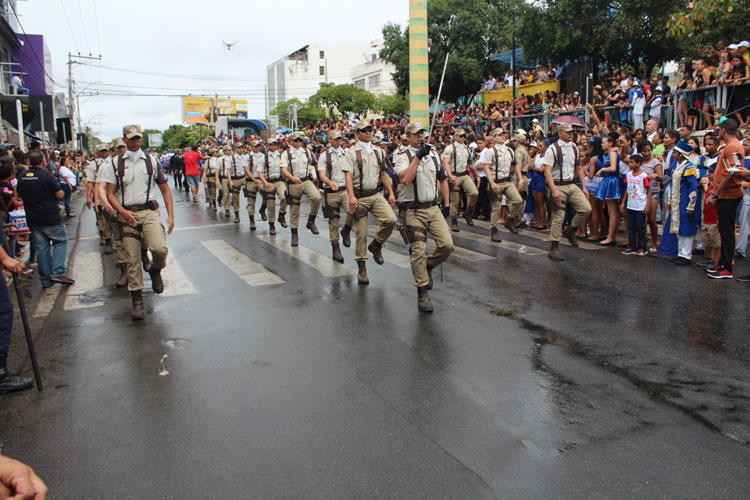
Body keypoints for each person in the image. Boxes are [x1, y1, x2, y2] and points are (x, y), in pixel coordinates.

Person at [100, 124, 174, 320]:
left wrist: (170, 216)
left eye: (138, 138)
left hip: (148, 212)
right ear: (124, 139)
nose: (135, 142)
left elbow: (165, 189)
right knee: (132, 259)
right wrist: (122, 212)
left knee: (159, 249)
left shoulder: (151, 161)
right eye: (131, 138)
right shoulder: (114, 164)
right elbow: (110, 193)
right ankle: (137, 301)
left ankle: (156, 269)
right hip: (126, 215)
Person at [393, 123, 453, 312]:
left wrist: (447, 204)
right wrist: (418, 157)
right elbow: (405, 179)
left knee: (447, 245)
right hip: (413, 210)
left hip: (433, 207)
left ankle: (428, 267)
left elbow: (442, 179)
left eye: (422, 134)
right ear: (407, 137)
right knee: (418, 250)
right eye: (416, 134)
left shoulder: (434, 154)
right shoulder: (402, 156)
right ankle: (422, 292)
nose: (420, 137)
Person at [343, 122, 397, 284]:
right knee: (361, 233)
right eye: (364, 131)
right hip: (359, 197)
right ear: (357, 134)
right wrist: (351, 196)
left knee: (391, 219)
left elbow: (383, 175)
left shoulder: (379, 152)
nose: (368, 133)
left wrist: (391, 193)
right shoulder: (352, 153)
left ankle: (377, 244)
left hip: (375, 194)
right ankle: (362, 266)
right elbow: (348, 176)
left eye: (369, 130)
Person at [16, 151, 74, 288]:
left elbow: (18, 194)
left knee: (41, 248)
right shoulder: (46, 175)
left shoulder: (22, 176)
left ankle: (45, 279)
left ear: (28, 161)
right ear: (43, 161)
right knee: (60, 241)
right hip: (49, 217)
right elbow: (60, 194)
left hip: (33, 218)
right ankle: (58, 272)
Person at [543, 122, 591, 261]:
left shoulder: (574, 147)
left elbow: (579, 168)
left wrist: (584, 186)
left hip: (571, 184)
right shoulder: (552, 149)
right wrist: (554, 190)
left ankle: (571, 230)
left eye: (572, 132)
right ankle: (554, 247)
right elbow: (547, 171)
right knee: (559, 215)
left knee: (585, 209)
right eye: (568, 132)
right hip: (558, 185)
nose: (571, 134)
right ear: (560, 133)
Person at [707, 119, 744, 279]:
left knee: (727, 231)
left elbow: (731, 173)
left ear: (723, 130)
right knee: (724, 230)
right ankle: (722, 262)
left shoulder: (733, 147)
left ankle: (727, 267)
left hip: (728, 195)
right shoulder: (732, 146)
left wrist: (715, 194)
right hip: (725, 194)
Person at [479, 128, 523, 242]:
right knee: (496, 207)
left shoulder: (509, 150)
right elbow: (486, 168)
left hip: (507, 181)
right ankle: (494, 230)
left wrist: (521, 178)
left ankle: (510, 219)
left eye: (503, 134)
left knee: (518, 200)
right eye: (499, 135)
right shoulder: (490, 152)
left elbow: (515, 165)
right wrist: (492, 183)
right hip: (496, 181)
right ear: (494, 138)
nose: (502, 136)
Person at [660, 140, 698, 264]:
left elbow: (693, 187)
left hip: (685, 202)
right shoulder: (677, 166)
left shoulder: (689, 167)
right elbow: (673, 184)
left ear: (681, 155)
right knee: (679, 228)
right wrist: (671, 200)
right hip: (677, 202)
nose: (674, 155)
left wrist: (691, 205)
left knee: (686, 228)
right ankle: (681, 253)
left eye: (676, 153)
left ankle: (687, 255)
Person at [318, 131, 353, 262]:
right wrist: (329, 182)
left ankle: (347, 230)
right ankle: (335, 247)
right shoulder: (324, 156)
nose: (339, 142)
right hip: (331, 191)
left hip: (345, 190)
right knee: (333, 221)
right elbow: (322, 174)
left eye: (340, 139)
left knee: (353, 211)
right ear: (330, 139)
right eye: (336, 139)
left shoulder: (347, 154)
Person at [280, 133, 321, 246]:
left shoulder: (307, 152)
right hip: (293, 182)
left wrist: (315, 177)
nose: (298, 142)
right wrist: (292, 177)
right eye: (296, 140)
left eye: (300, 140)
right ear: (291, 141)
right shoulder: (286, 153)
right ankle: (294, 234)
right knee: (294, 209)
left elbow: (314, 164)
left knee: (317, 198)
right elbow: (284, 169)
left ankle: (311, 221)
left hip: (306, 180)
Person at [442, 128, 477, 231]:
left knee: (474, 193)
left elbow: (470, 163)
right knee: (454, 199)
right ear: (455, 136)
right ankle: (453, 220)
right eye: (460, 136)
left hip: (464, 174)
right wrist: (450, 176)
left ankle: (468, 212)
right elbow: (446, 163)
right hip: (454, 174)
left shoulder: (467, 149)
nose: (462, 138)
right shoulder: (449, 148)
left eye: (464, 136)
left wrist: (476, 175)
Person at [84, 144, 113, 254]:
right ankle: (106, 239)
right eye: (102, 151)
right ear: (98, 152)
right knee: (102, 219)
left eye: (106, 151)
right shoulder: (94, 165)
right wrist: (90, 198)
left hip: (114, 194)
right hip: (101, 194)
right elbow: (91, 182)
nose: (105, 153)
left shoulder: (114, 162)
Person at [593, 135, 621, 245]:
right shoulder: (609, 154)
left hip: (612, 181)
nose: (602, 144)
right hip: (609, 180)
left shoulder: (613, 154)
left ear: (610, 143)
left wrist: (603, 169)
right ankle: (611, 236)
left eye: (604, 142)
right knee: (611, 211)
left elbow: (613, 168)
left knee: (612, 211)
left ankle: (611, 237)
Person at [620, 154, 649, 256]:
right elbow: (627, 190)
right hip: (631, 204)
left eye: (632, 162)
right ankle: (632, 246)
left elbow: (648, 190)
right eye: (630, 162)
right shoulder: (628, 175)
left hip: (640, 205)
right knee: (631, 226)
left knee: (640, 227)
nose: (630, 164)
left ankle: (642, 247)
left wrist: (647, 205)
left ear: (638, 164)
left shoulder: (643, 176)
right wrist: (623, 202)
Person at [257, 138, 287, 235]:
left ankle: (282, 215)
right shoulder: (263, 158)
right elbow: (260, 173)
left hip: (279, 181)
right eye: (271, 144)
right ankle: (271, 224)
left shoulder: (281, 156)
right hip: (268, 181)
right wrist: (265, 183)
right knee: (271, 205)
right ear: (268, 145)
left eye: (275, 144)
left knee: (284, 197)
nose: (273, 146)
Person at [697, 169, 721, 268]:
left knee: (716, 242)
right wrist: (706, 186)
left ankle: (716, 260)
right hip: (706, 218)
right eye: (709, 172)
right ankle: (709, 258)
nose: (709, 174)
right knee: (707, 241)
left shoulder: (719, 186)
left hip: (715, 219)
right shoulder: (711, 185)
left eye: (712, 172)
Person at [219, 144, 243, 223]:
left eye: (230, 150)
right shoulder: (221, 159)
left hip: (233, 177)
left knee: (234, 193)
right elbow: (218, 170)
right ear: (225, 151)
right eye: (228, 150)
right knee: (226, 194)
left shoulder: (233, 158)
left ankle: (233, 204)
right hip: (224, 177)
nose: (230, 151)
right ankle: (227, 208)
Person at [243, 141, 263, 230]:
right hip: (251, 180)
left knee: (267, 197)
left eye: (258, 146)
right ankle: (252, 220)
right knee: (251, 201)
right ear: (251, 147)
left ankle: (262, 210)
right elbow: (247, 170)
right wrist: (254, 180)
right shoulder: (247, 157)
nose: (257, 148)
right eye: (255, 146)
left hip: (262, 179)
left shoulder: (263, 156)